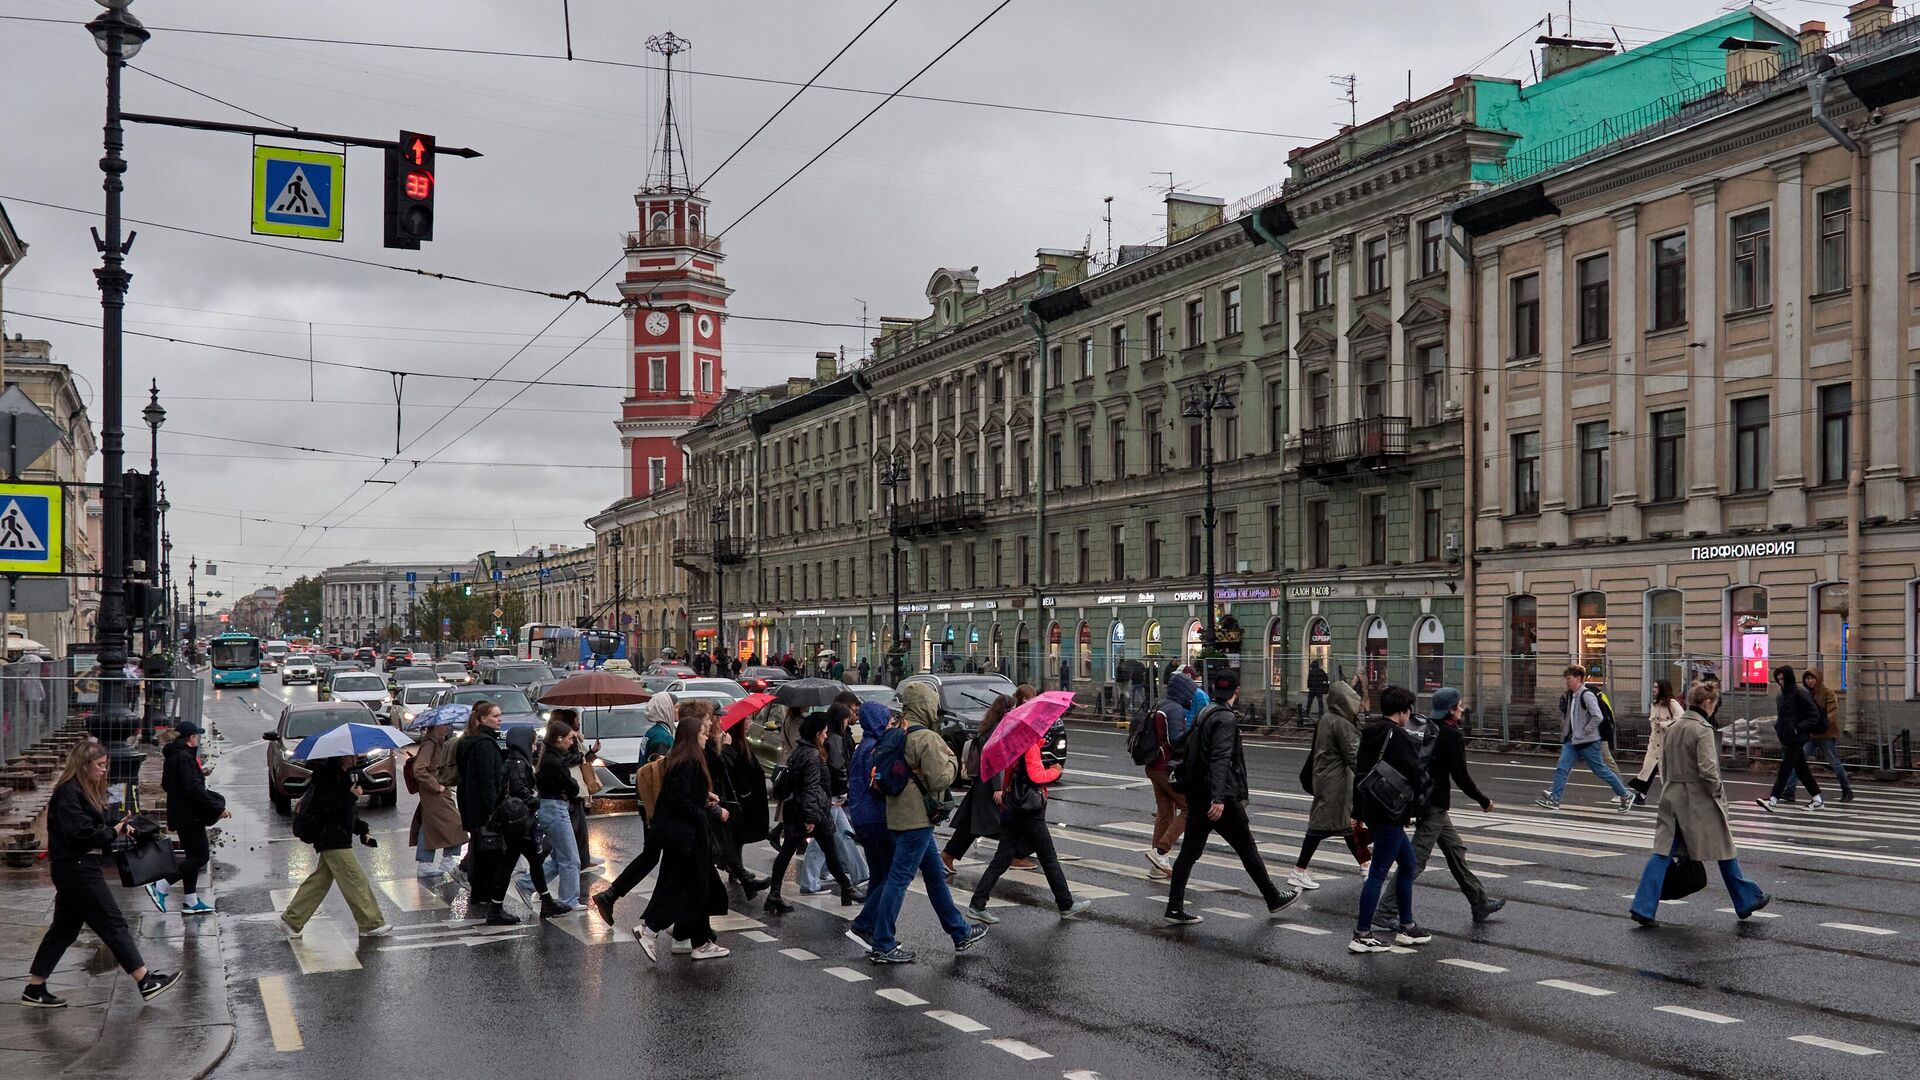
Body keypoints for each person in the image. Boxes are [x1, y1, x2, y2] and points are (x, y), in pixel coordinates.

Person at [22, 743, 180, 1008]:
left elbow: (90, 826)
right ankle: (145, 981)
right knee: (113, 922)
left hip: (77, 868)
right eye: (101, 765)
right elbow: (82, 835)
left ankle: (34, 988)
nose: (105, 770)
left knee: (63, 930)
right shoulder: (68, 793)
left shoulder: (79, 791)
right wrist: (112, 831)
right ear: (84, 765)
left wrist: (116, 827)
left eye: (106, 765)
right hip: (78, 869)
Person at [864, 683, 989, 964]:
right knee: (898, 880)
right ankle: (881, 941)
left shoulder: (896, 732)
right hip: (917, 819)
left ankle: (960, 932)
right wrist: (955, 763)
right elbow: (939, 779)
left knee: (934, 876)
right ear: (926, 705)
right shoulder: (926, 738)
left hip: (897, 814)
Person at [1629, 681, 1770, 927]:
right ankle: (1745, 899)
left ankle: (1643, 905)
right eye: (1714, 704)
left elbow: (1664, 760)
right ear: (1707, 703)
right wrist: (1718, 795)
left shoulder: (1673, 727)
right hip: (1697, 799)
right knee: (1725, 849)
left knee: (1662, 853)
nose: (1714, 709)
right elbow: (1709, 770)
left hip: (1671, 794)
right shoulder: (1703, 730)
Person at [1164, 671, 1300, 925]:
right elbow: (1220, 758)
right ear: (1236, 692)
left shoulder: (1206, 711)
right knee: (1247, 848)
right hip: (1219, 797)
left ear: (1215, 690)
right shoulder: (1225, 718)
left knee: (1189, 852)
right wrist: (1218, 798)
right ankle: (1272, 897)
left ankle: (1174, 907)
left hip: (1198, 793)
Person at [1372, 687, 1504, 927]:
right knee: (1416, 860)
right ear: (1451, 710)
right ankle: (1385, 910)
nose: (1462, 709)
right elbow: (1461, 777)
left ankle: (1479, 902)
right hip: (1433, 805)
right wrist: (1483, 800)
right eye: (1459, 705)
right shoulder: (1451, 735)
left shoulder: (1425, 728)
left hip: (1426, 801)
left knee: (1455, 851)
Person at [963, 719, 1091, 923]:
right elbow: (1036, 775)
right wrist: (1055, 771)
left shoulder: (1015, 745)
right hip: (1029, 812)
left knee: (1001, 859)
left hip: (1012, 809)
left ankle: (977, 904)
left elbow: (1008, 779)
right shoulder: (1029, 745)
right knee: (1049, 858)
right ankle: (1066, 904)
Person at [637, 703, 731, 962]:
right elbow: (681, 800)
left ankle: (697, 942)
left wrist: (704, 797)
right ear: (692, 736)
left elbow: (686, 794)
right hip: (687, 836)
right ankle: (651, 928)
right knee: (688, 890)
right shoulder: (687, 761)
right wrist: (706, 809)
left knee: (692, 889)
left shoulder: (685, 759)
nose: (706, 736)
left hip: (686, 834)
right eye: (702, 732)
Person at [1348, 685, 1431, 954]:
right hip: (1390, 812)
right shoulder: (1400, 736)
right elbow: (1417, 773)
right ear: (1403, 711)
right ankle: (1362, 933)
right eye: (1409, 710)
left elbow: (1360, 772)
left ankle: (1406, 926)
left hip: (1373, 807)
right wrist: (1423, 806)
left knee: (1408, 865)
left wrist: (1356, 812)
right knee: (1378, 874)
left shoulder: (1371, 732)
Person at [280, 756, 392, 939]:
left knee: (318, 884)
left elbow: (346, 813)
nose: (356, 757)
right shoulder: (328, 778)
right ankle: (371, 923)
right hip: (331, 837)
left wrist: (362, 830)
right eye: (352, 755)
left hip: (337, 836)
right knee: (356, 880)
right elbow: (328, 809)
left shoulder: (344, 776)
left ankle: (291, 920)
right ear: (342, 757)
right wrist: (350, 796)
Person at [764, 713, 863, 913]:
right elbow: (810, 787)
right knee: (829, 851)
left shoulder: (800, 751)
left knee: (791, 852)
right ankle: (847, 888)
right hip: (811, 812)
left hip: (799, 810)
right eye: (824, 732)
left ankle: (774, 894)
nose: (826, 736)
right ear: (818, 734)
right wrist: (810, 818)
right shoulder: (811, 756)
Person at [1291, 674, 1364, 891]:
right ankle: (1299, 871)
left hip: (1328, 778)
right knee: (1321, 826)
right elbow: (1353, 756)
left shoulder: (1327, 718)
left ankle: (1365, 865)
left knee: (1344, 826)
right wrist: (1367, 780)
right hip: (1336, 782)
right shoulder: (1341, 723)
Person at [149, 720, 229, 915]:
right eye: (196, 736)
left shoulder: (174, 756)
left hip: (181, 813)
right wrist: (217, 808)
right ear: (190, 738)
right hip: (189, 815)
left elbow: (170, 785)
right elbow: (193, 790)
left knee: (192, 857)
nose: (198, 739)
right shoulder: (184, 758)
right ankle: (160, 885)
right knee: (200, 856)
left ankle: (190, 901)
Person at [456, 700, 522, 926]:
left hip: (472, 805)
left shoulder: (470, 741)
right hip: (485, 808)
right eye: (495, 716)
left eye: (500, 715)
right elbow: (487, 780)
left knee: (481, 850)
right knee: (492, 855)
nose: (499, 719)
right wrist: (494, 811)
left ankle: (480, 895)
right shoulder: (484, 744)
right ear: (482, 719)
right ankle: (491, 902)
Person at [1535, 667, 1634, 812]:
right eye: (1567, 679)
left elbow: (1598, 716)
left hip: (1589, 742)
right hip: (1572, 740)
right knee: (1562, 768)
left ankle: (1625, 795)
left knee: (1601, 770)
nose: (1567, 681)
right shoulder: (1572, 695)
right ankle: (1555, 799)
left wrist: (1585, 731)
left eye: (1569, 678)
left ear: (1578, 678)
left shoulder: (1586, 695)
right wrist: (1567, 732)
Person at [800, 700, 869, 892]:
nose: (849, 722)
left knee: (840, 835)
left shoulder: (831, 737)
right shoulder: (835, 739)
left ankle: (859, 874)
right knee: (828, 838)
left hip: (831, 796)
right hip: (832, 797)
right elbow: (838, 768)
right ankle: (857, 875)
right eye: (847, 718)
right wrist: (844, 791)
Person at [844, 701, 896, 950]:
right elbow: (878, 784)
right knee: (893, 874)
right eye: (887, 720)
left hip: (861, 817)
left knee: (878, 874)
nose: (890, 724)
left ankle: (872, 927)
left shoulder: (862, 745)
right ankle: (863, 924)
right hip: (877, 817)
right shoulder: (875, 748)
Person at [943, 694, 1012, 878]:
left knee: (972, 825)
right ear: (1005, 712)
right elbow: (995, 761)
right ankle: (1015, 857)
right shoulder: (998, 730)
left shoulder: (990, 726)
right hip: (989, 786)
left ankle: (947, 855)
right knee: (1002, 827)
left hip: (983, 784)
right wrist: (998, 787)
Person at [502, 726, 568, 918]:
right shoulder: (519, 763)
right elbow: (519, 788)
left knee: (531, 862)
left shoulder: (515, 760)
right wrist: (534, 799)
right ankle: (497, 905)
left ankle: (545, 901)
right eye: (532, 743)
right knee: (515, 864)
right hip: (520, 821)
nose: (534, 748)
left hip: (519, 821)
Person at [1141, 673, 1194, 879]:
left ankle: (1157, 867)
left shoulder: (1159, 704)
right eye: (1190, 691)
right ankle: (1161, 851)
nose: (1191, 695)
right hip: (1167, 767)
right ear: (1183, 691)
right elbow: (1176, 741)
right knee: (1191, 808)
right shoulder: (1175, 709)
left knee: (1165, 813)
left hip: (1153, 765)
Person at [1757, 665, 1827, 812]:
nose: (1781, 681)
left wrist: (1798, 728)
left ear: (1789, 677)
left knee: (1785, 768)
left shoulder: (1799, 693)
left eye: (1783, 678)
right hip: (1788, 737)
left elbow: (1814, 715)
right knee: (1802, 770)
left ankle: (1773, 800)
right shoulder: (1784, 694)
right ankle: (1817, 799)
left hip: (1796, 737)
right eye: (1779, 679)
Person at [532, 720, 582, 912]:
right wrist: (571, 787)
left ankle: (528, 884)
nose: (571, 742)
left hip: (552, 807)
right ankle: (568, 900)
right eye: (569, 738)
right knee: (571, 859)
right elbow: (572, 786)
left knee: (557, 858)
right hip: (555, 809)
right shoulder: (553, 761)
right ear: (559, 738)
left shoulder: (551, 757)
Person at [1781, 668, 1852, 803]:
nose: (1810, 681)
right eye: (1807, 679)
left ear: (1818, 679)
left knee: (1834, 763)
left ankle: (1846, 790)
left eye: (1812, 678)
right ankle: (1789, 790)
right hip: (1810, 734)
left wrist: (1820, 723)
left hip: (1826, 734)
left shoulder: (1827, 693)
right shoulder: (1804, 693)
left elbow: (1833, 712)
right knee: (1799, 761)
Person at [721, 714, 771, 898]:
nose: (750, 723)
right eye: (747, 721)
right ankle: (739, 873)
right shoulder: (735, 745)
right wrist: (746, 794)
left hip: (746, 799)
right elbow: (737, 771)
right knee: (735, 837)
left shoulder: (743, 743)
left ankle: (739, 872)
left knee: (737, 837)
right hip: (742, 800)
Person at [410, 716, 466, 879]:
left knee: (429, 827)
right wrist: (436, 785)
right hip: (434, 791)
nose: (447, 727)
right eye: (443, 725)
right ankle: (447, 859)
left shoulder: (437, 742)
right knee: (455, 822)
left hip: (436, 789)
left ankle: (425, 863)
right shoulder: (429, 744)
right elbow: (419, 769)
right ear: (434, 727)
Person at [550, 708, 602, 868]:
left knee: (579, 828)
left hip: (574, 786)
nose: (579, 722)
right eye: (576, 719)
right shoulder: (564, 740)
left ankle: (582, 859)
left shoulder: (573, 738)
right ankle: (572, 860)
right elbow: (568, 759)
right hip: (571, 787)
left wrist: (591, 752)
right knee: (574, 828)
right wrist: (581, 756)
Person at [1629, 680, 1683, 804]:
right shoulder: (1654, 704)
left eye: (1656, 687)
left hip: (1668, 745)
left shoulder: (1672, 703)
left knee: (1667, 773)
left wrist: (1664, 724)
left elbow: (1681, 719)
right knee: (1648, 769)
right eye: (1653, 686)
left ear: (1663, 689)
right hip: (1654, 744)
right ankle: (1641, 795)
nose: (1654, 689)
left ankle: (1672, 798)